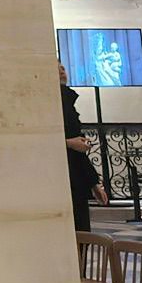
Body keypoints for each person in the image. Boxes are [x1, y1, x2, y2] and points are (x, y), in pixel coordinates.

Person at [61, 65, 105, 231]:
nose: (62, 71)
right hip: (63, 174)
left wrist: (94, 183)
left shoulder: (68, 100)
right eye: (57, 68)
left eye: (63, 67)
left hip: (76, 173)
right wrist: (70, 143)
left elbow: (77, 146)